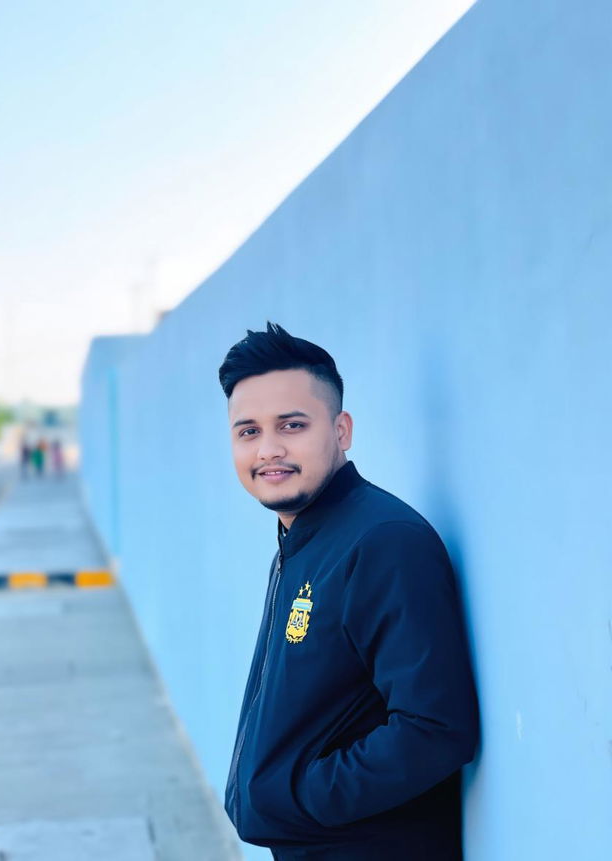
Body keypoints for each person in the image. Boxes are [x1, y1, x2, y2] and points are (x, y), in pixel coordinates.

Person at [218, 323, 479, 860]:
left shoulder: (383, 542)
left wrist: (293, 797)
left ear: (341, 430)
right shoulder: (302, 538)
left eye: (292, 425)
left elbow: (435, 728)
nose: (269, 449)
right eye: (248, 431)